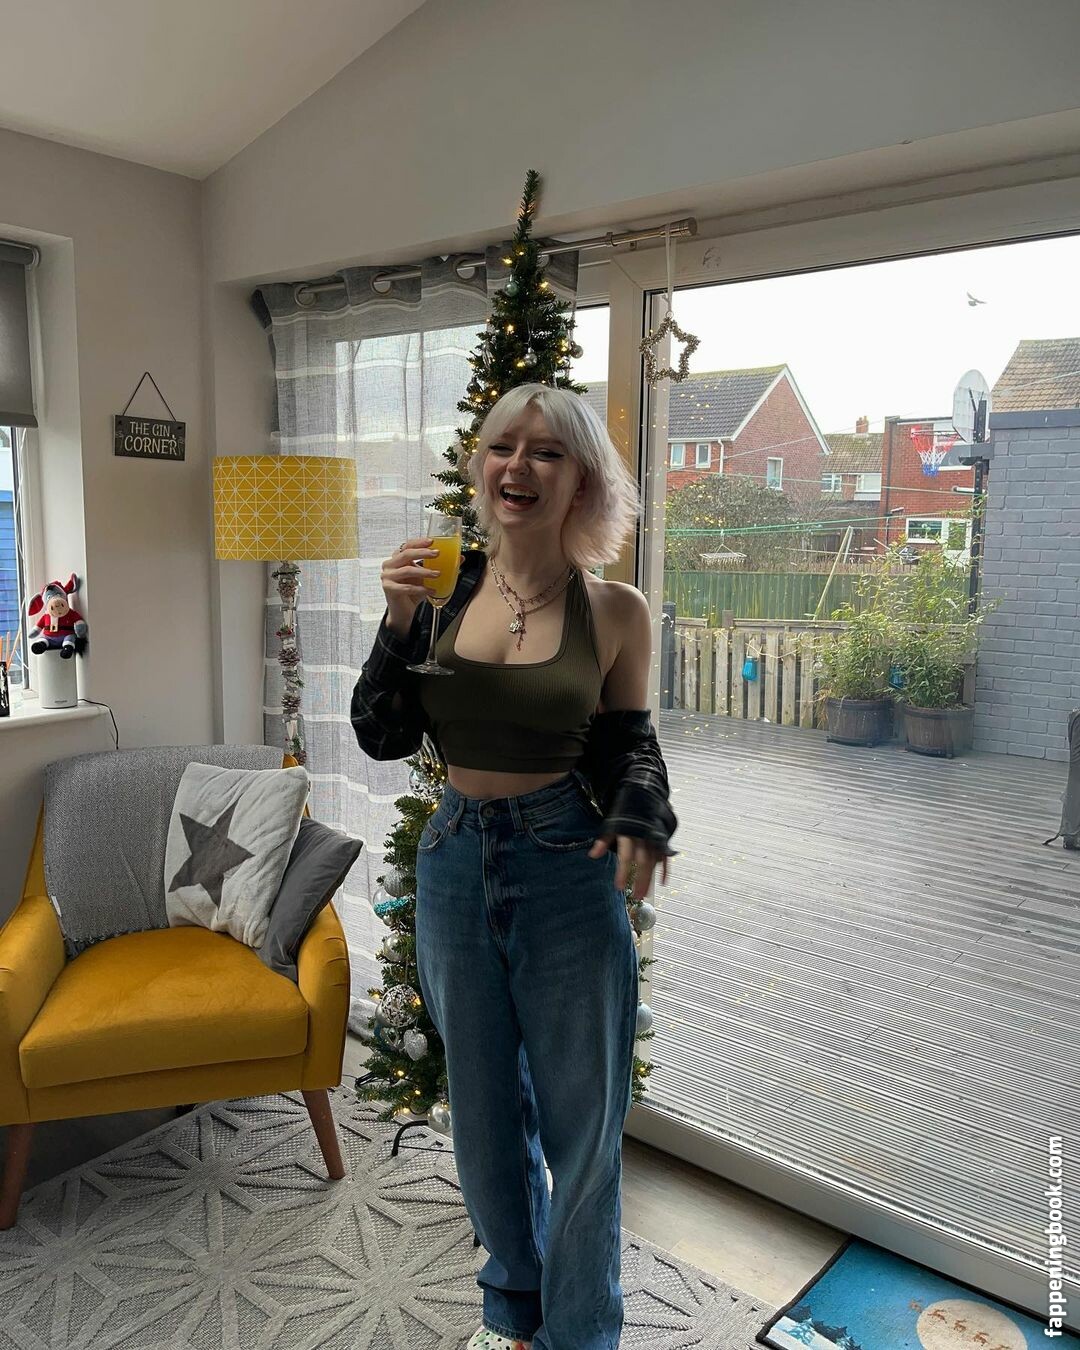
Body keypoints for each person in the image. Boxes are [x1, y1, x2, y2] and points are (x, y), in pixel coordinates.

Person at [351, 382, 678, 1350]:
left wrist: (642, 816)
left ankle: (582, 1334)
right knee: (486, 1124)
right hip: (454, 862)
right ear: (479, 465)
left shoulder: (615, 610)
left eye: (546, 451)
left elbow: (631, 748)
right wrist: (396, 623)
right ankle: (515, 1315)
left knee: (584, 1132)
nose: (518, 465)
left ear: (582, 481)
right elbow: (380, 735)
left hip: (566, 871)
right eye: (502, 446)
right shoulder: (440, 595)